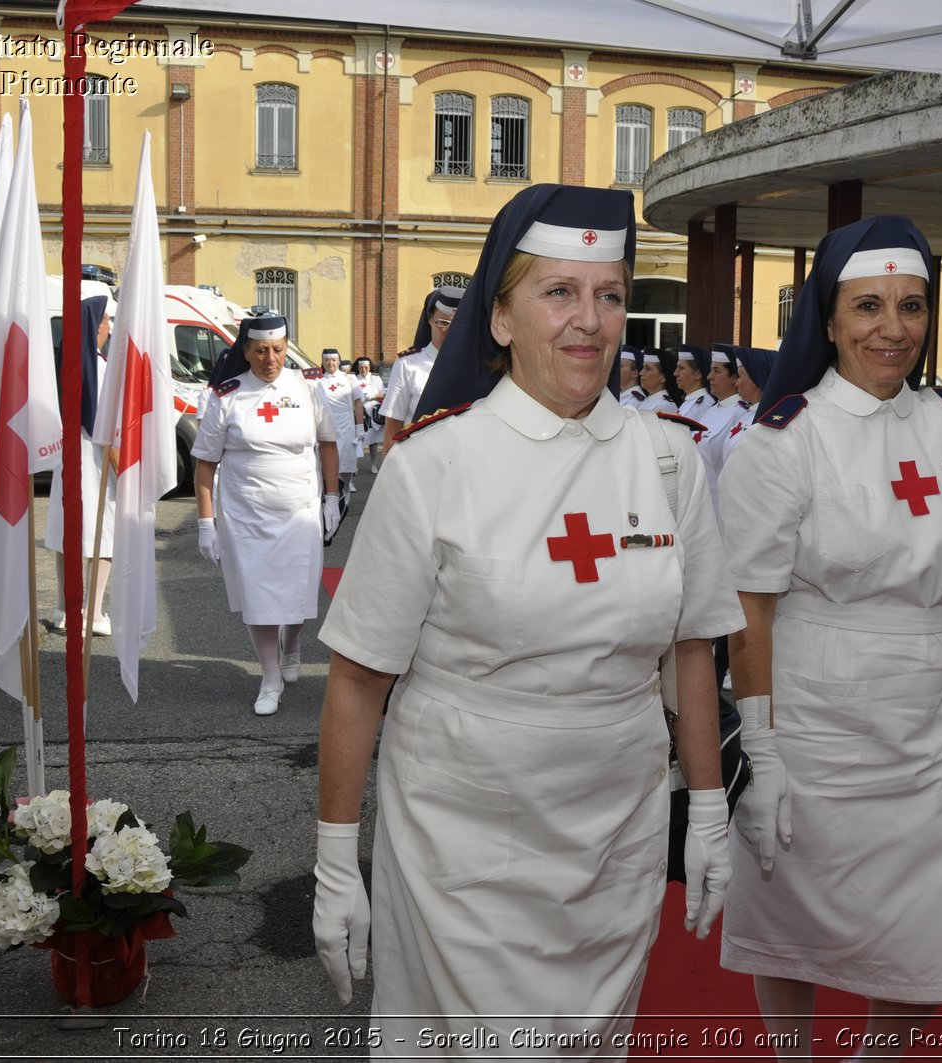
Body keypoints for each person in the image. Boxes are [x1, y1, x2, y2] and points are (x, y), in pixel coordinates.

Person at [311, 184, 744, 1055]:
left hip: (615, 829)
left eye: (610, 294)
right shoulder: (435, 463)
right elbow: (360, 675)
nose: (589, 319)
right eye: (559, 292)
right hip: (459, 836)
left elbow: (691, 647)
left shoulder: (668, 460)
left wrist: (706, 810)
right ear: (500, 318)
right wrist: (333, 855)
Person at [716, 216, 942, 1060]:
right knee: (793, 907)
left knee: (931, 924)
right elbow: (748, 605)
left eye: (912, 305)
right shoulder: (786, 438)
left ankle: (876, 1055)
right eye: (867, 306)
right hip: (813, 711)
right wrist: (760, 744)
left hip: (931, 714)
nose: (891, 328)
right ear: (827, 319)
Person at [192, 315, 340, 717]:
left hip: (300, 510)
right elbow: (204, 464)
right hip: (246, 514)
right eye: (259, 351)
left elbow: (327, 444)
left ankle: (292, 644)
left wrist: (332, 497)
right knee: (258, 597)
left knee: (296, 590)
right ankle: (270, 676)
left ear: (286, 347)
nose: (269, 359)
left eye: (277, 350)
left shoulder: (307, 387)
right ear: (245, 351)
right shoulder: (228, 395)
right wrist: (206, 523)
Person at [45, 294, 116, 636]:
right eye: (106, 321)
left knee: (67, 535)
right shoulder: (102, 369)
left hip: (66, 459)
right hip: (96, 460)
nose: (109, 327)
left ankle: (64, 608)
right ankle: (94, 612)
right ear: (95, 326)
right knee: (103, 537)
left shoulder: (60, 364)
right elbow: (108, 427)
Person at [379, 285, 463, 454]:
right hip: (418, 461)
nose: (448, 331)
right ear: (430, 319)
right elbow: (393, 427)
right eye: (443, 323)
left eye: (456, 324)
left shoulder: (473, 365)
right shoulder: (408, 365)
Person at [700, 345, 771, 510]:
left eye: (740, 376)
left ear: (755, 380)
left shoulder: (760, 418)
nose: (737, 382)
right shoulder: (747, 415)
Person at [317, 348, 361, 503]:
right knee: (327, 462)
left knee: (346, 462)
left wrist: (360, 427)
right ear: (322, 362)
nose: (331, 363)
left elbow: (358, 402)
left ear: (338, 361)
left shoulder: (349, 379)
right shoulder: (318, 381)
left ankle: (346, 490)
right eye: (327, 360)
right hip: (327, 425)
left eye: (333, 360)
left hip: (346, 425)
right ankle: (331, 494)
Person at [351, 356, 385, 471]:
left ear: (369, 367)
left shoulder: (375, 378)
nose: (363, 370)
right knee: (357, 440)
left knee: (373, 441)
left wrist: (371, 396)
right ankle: (354, 466)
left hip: (373, 412)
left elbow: (383, 394)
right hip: (360, 412)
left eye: (366, 367)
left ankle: (373, 465)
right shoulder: (354, 379)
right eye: (361, 368)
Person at [673, 343, 717, 421]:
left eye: (681, 368)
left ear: (698, 374)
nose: (675, 373)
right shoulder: (689, 400)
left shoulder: (705, 404)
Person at [635, 347, 682, 414]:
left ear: (663, 377)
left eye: (648, 369)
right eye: (643, 368)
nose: (641, 373)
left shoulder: (666, 406)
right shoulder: (647, 400)